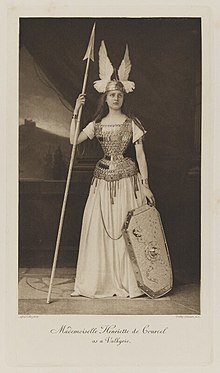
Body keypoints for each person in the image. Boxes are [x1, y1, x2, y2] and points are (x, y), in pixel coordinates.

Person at [69, 42, 155, 298]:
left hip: (129, 181)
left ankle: (129, 280)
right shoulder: (96, 124)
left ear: (124, 96)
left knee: (126, 228)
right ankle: (98, 282)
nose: (116, 98)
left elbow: (140, 153)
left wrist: (146, 184)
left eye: (119, 94)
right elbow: (74, 140)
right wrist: (76, 111)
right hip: (102, 181)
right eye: (111, 94)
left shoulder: (132, 123)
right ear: (105, 98)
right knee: (100, 228)